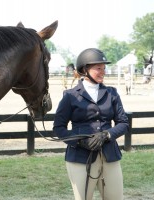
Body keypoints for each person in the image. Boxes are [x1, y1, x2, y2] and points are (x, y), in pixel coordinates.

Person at [53, 48, 129, 200]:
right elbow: (58, 128)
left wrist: (107, 134)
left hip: (109, 155)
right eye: (98, 68)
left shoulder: (112, 93)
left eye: (104, 68)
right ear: (84, 69)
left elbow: (123, 123)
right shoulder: (70, 96)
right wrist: (80, 140)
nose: (103, 72)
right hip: (80, 158)